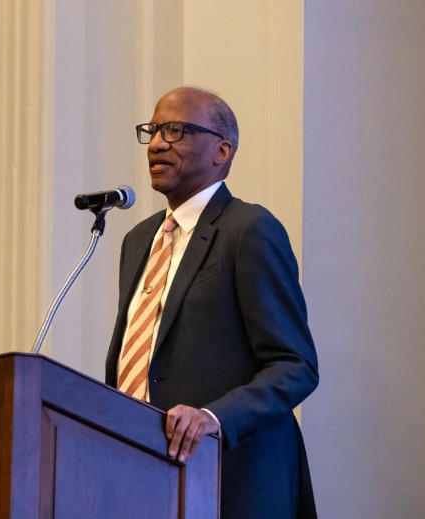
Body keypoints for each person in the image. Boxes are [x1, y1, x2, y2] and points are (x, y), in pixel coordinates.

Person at [105, 86, 319, 518]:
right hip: (146, 479)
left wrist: (213, 418)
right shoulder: (137, 241)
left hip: (232, 481)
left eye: (176, 130)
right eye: (153, 130)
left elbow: (295, 366)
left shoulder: (249, 229)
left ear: (221, 151)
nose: (159, 143)